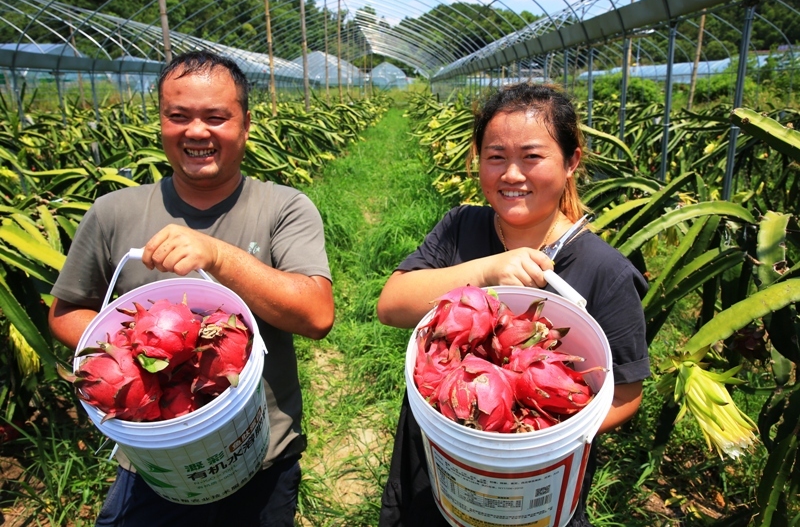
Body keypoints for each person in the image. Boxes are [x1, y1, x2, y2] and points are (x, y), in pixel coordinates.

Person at [48, 50, 334, 526]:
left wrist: (219, 256)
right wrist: (135, 353)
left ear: (245, 125)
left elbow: (316, 316)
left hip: (259, 450)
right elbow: (66, 312)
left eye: (216, 117)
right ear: (160, 123)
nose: (196, 132)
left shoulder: (284, 207)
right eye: (177, 116)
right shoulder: (113, 212)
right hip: (154, 456)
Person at [376, 83, 649, 527]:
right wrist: (486, 273)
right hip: (439, 457)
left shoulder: (606, 271)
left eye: (532, 157)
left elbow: (625, 393)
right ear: (478, 160)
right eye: (496, 157)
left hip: (535, 483)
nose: (512, 175)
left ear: (572, 161)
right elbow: (391, 306)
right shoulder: (461, 227)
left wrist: (522, 442)